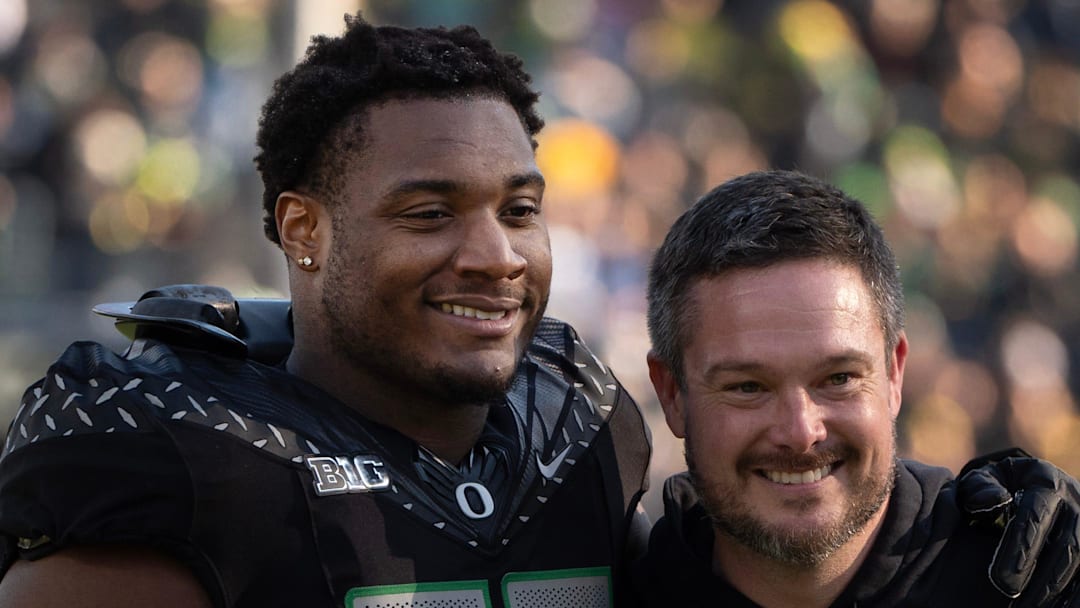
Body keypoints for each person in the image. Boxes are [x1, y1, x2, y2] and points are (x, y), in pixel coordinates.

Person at [0, 14, 1074, 608]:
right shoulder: (180, 452)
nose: (494, 254)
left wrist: (938, 517)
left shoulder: (580, 421)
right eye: (430, 212)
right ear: (303, 229)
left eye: (520, 207)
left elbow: (760, 532)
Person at [635, 169, 1080, 607]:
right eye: (749, 387)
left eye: (838, 379)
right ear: (671, 393)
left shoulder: (1033, 580)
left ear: (893, 374)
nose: (801, 431)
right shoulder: (613, 582)